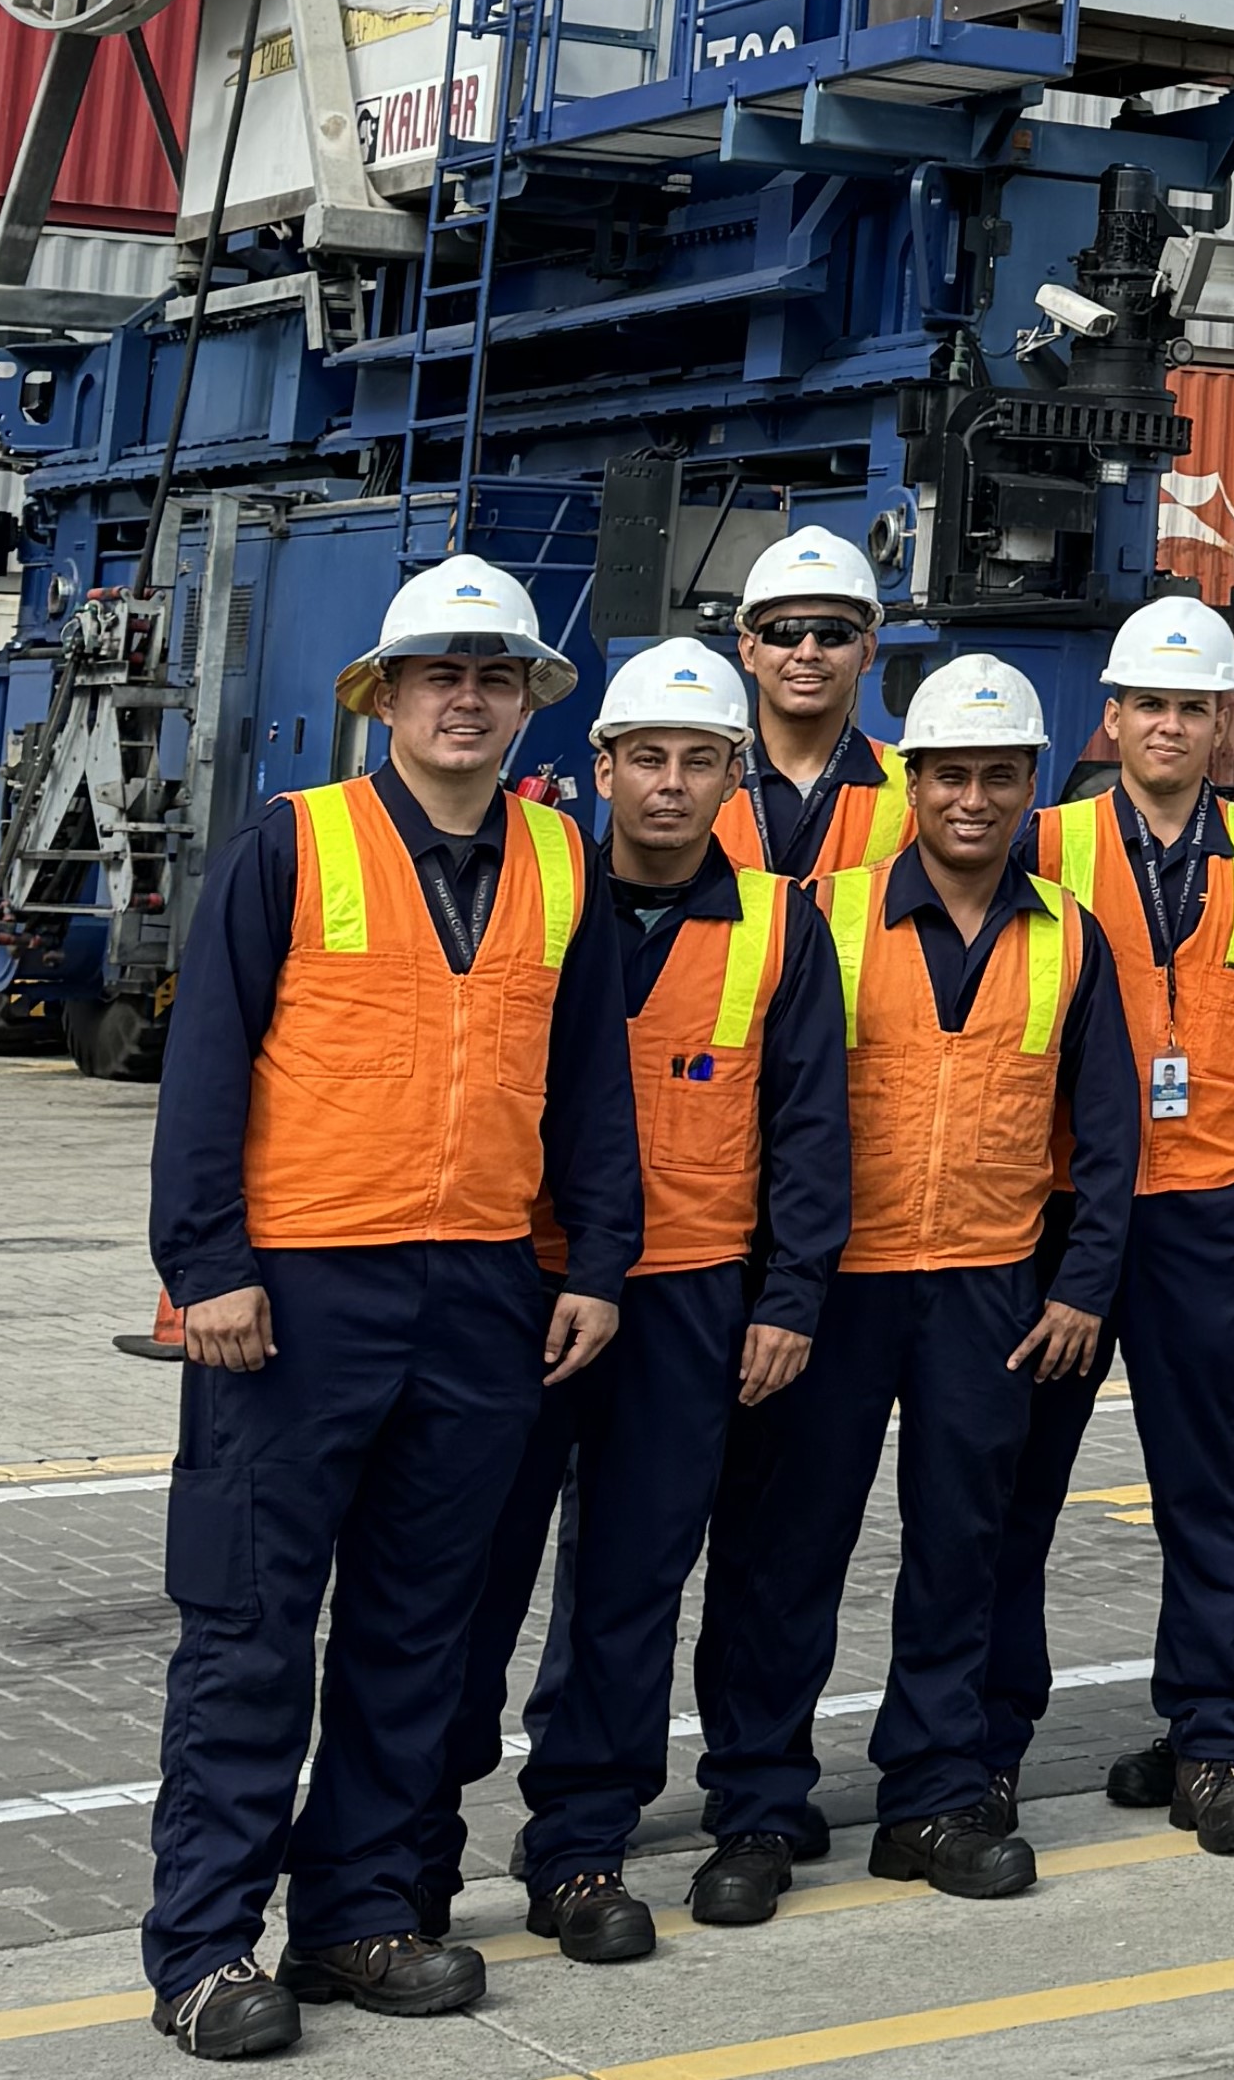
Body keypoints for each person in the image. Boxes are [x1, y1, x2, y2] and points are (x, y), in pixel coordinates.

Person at [141, 556, 642, 2061]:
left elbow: (590, 1084)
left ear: (527, 700)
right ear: (386, 696)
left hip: (482, 1286)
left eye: (495, 676)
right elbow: (206, 1064)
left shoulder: (563, 860)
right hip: (298, 1292)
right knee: (250, 1628)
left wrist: (596, 1264)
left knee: (418, 1629)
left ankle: (358, 1913)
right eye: (441, 674)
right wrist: (207, 1265)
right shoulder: (293, 844)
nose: (467, 700)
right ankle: (204, 1949)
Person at [407, 641, 852, 1965]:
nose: (669, 783)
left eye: (698, 759)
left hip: (691, 1299)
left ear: (733, 775)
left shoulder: (780, 922)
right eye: (645, 756)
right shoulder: (533, 892)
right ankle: (412, 1852)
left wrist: (791, 1293)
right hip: (524, 1284)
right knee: (465, 1580)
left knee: (631, 1584)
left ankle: (580, 1848)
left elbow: (812, 1127)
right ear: (600, 769)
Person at [687, 656, 1136, 1917]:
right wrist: (776, 1288)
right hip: (835, 1290)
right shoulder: (818, 920)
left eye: (998, 776)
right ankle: (757, 1807)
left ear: (1030, 786)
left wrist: (1083, 1285)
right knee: (785, 1550)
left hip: (989, 1288)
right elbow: (769, 1114)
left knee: (961, 1548)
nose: (973, 800)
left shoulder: (1070, 937)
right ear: (913, 783)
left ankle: (933, 1797)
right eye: (950, 776)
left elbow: (1108, 1135)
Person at [995, 600, 1234, 1854]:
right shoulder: (1046, 841)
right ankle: (988, 1747)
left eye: (1192, 707)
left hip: (1206, 1209)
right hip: (1065, 1207)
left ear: (1219, 721)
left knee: (1207, 1488)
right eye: (1150, 706)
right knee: (1017, 1492)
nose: (1170, 725)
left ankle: (1214, 1745)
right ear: (1112, 718)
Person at [714, 526, 910, 882]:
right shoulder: (698, 780)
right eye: (785, 632)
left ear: (867, 652)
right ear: (749, 651)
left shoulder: (914, 789)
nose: (808, 652)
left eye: (833, 633)